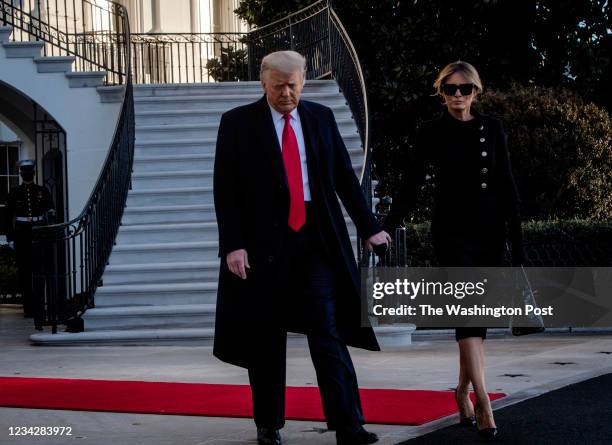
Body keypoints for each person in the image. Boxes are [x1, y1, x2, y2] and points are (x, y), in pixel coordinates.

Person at [213, 50, 390, 445]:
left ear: (303, 80)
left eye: (293, 85)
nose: (287, 93)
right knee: (266, 339)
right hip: (263, 247)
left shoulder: (320, 118)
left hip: (315, 240)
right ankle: (269, 424)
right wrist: (233, 245)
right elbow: (226, 191)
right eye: (279, 86)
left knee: (327, 331)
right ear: (263, 81)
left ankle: (348, 424)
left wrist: (370, 227)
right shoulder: (238, 124)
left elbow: (345, 178)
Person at [383, 61, 524, 440]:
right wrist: (385, 225)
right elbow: (411, 183)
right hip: (452, 234)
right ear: (441, 92)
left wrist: (518, 241)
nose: (457, 95)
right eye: (450, 89)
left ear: (476, 92)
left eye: (464, 89)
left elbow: (506, 183)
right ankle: (483, 402)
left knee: (477, 322)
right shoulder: (431, 131)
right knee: (467, 316)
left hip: (490, 233)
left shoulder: (492, 129)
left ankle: (461, 389)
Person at [5, 159, 55, 330]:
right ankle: (29, 308)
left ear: (33, 173)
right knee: (25, 271)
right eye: (24, 172)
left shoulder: (42, 191)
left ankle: (41, 306)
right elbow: (7, 216)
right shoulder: (14, 193)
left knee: (40, 270)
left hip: (39, 231)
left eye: (29, 172)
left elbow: (50, 210)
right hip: (22, 233)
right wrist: (10, 238)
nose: (27, 174)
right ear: (21, 174)